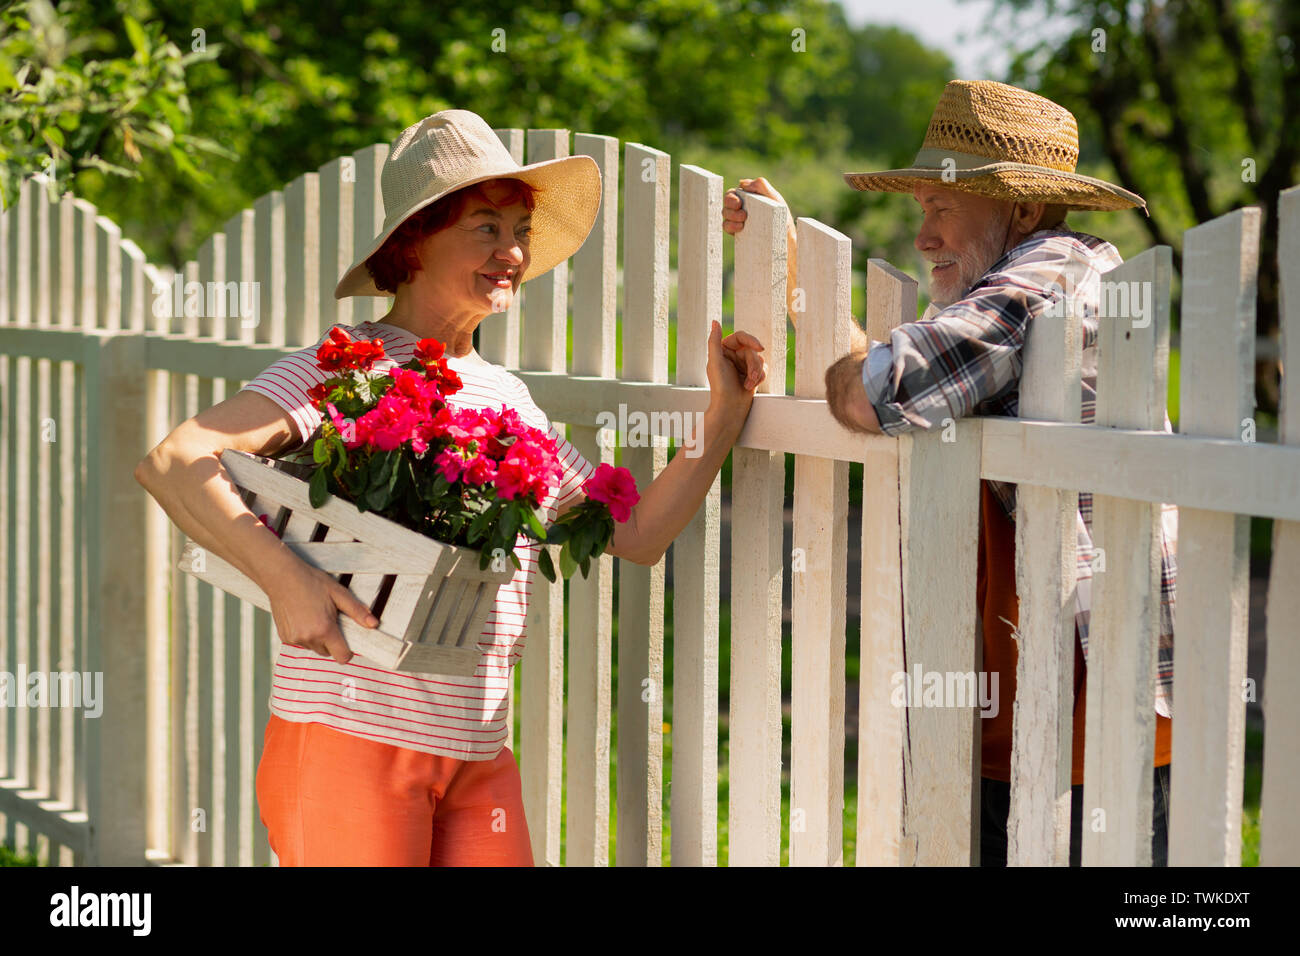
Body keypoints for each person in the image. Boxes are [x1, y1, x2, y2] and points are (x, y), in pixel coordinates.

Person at [135, 108, 767, 866]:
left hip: (474, 747)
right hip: (349, 737)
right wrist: (285, 580)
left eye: (521, 230)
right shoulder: (347, 367)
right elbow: (176, 458)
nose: (513, 252)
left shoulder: (507, 396)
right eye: (485, 227)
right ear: (414, 241)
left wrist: (723, 415)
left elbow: (633, 535)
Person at [722, 80, 1176, 866]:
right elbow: (898, 379)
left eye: (942, 209)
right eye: (922, 209)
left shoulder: (1051, 280)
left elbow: (881, 390)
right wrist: (792, 267)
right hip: (1036, 688)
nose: (924, 236)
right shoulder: (1015, 283)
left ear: (1025, 211)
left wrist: (829, 326)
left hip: (1083, 701)